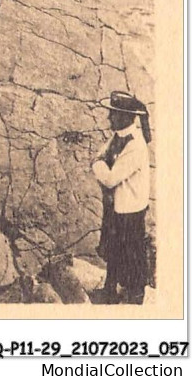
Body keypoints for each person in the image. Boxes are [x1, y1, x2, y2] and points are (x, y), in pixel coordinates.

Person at [91, 90, 151, 304]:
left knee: (132, 250)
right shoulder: (118, 138)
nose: (109, 118)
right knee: (114, 247)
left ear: (126, 116)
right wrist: (100, 161)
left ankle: (135, 293)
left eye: (114, 114)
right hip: (118, 206)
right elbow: (101, 155)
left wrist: (97, 164)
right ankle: (110, 290)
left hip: (130, 209)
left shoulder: (135, 145)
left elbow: (109, 178)